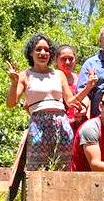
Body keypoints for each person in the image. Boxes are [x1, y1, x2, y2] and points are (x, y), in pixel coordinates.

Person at [6, 33, 97, 171]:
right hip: (38, 123)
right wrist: (14, 84)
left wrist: (88, 86)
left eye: (47, 50)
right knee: (36, 169)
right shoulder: (25, 75)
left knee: (63, 167)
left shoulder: (58, 74)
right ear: (31, 53)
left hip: (61, 123)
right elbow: (11, 103)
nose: (43, 53)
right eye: (38, 49)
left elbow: (70, 101)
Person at [55, 45, 86, 132]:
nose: (67, 62)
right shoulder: (50, 79)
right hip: (59, 127)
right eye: (63, 59)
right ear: (56, 60)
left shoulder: (81, 78)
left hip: (81, 125)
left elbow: (89, 99)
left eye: (71, 58)